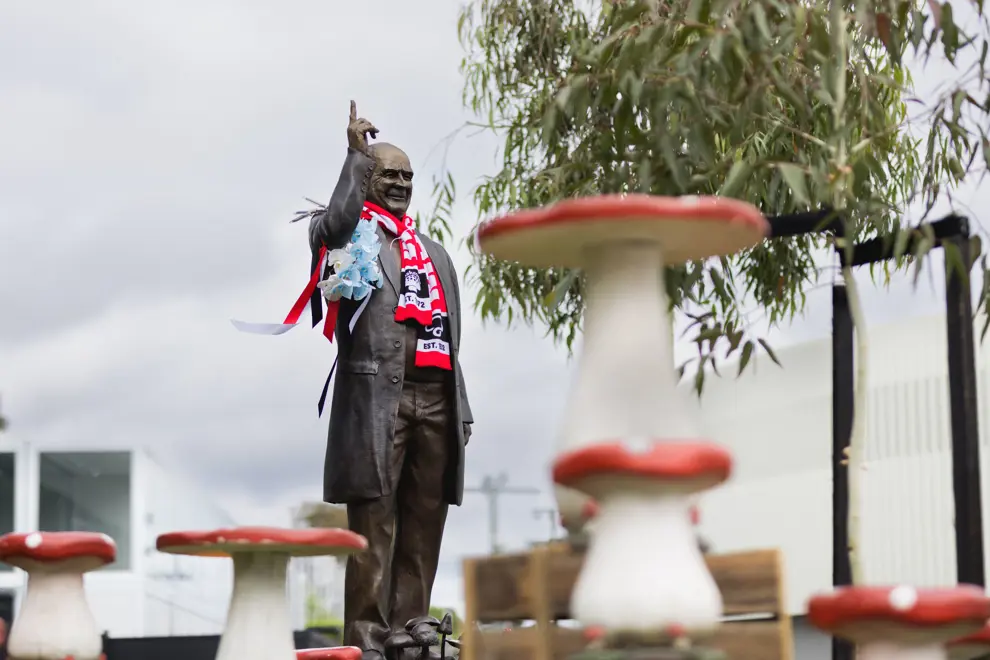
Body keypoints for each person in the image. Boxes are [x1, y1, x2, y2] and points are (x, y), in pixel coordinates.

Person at [310, 101, 473, 660]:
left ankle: (413, 623)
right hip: (378, 403)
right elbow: (332, 223)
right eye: (388, 175)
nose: (401, 183)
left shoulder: (436, 256)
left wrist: (462, 409)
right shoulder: (349, 238)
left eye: (408, 176)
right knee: (374, 525)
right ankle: (367, 632)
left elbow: (451, 342)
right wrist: (355, 157)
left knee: (425, 522)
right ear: (367, 180)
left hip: (434, 401)